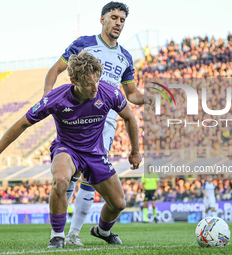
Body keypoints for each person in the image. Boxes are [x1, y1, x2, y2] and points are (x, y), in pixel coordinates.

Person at [0, 51, 142, 248]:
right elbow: (22, 124)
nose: (95, 88)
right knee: (61, 179)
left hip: (95, 152)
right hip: (67, 149)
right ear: (74, 81)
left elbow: (130, 118)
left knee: (119, 204)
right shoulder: (57, 98)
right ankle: (57, 235)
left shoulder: (108, 92)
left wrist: (135, 151)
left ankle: (102, 231)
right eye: (89, 84)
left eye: (96, 81)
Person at [44, 1, 154, 246]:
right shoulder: (84, 43)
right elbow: (55, 70)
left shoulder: (125, 56)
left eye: (122, 20)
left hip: (107, 121)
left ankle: (73, 234)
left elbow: (132, 94)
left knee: (88, 177)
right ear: (102, 19)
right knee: (69, 175)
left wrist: (151, 98)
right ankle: (60, 232)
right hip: (79, 115)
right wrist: (47, 97)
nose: (118, 23)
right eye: (114, 17)